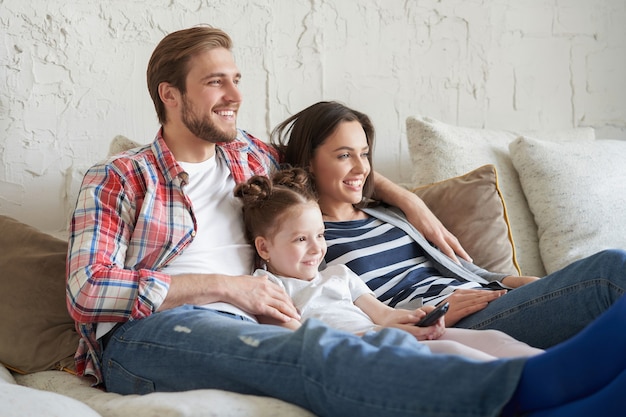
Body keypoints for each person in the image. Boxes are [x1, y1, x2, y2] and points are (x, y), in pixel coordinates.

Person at [65, 25, 626, 417]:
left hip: (263, 318)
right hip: (150, 338)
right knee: (314, 352)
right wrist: (227, 286)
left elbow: (333, 161)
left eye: (236, 78)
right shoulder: (119, 178)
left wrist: (407, 198)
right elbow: (87, 291)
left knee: (379, 345)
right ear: (170, 94)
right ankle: (542, 386)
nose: (235, 94)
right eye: (216, 82)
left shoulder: (250, 158)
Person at [271, 100, 626, 349]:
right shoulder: (307, 239)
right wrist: (427, 314)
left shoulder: (386, 213)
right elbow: (335, 310)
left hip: (487, 297)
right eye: (344, 155)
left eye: (364, 154)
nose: (362, 168)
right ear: (309, 161)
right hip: (447, 323)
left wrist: (522, 282)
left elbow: (465, 271)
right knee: (610, 270)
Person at [235, 167, 543, 360]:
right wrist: (386, 335)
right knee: (452, 352)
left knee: (492, 339)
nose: (317, 248)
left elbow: (385, 315)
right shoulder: (268, 289)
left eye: (320, 235)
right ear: (264, 247)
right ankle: (543, 387)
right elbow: (298, 342)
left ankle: (556, 368)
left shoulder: (339, 273)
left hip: (383, 336)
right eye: (301, 240)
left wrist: (418, 319)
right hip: (360, 351)